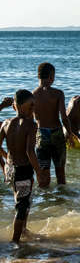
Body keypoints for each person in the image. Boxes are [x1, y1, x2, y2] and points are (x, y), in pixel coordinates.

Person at [0, 90, 40, 244]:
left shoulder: (5, 123)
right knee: (22, 206)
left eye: (34, 106)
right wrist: (39, 172)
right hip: (23, 170)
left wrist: (6, 161)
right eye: (30, 106)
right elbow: (29, 151)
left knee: (22, 199)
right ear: (18, 106)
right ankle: (15, 241)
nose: (33, 109)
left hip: (10, 169)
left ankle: (23, 230)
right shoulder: (30, 125)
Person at [32, 62, 73, 188]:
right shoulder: (58, 93)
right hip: (56, 133)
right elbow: (64, 117)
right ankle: (62, 199)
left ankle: (45, 201)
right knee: (60, 172)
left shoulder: (32, 95)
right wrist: (70, 135)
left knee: (43, 174)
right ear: (51, 76)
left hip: (41, 134)